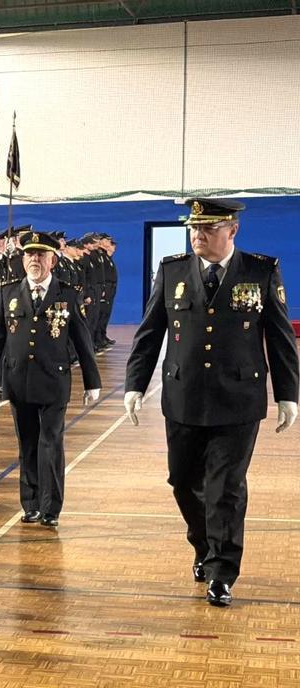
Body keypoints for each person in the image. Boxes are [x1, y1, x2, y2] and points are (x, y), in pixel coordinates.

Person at [125, 198, 299, 607]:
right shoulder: (172, 271)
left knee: (226, 488)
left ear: (232, 231)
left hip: (238, 399)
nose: (198, 235)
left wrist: (288, 394)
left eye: (208, 229)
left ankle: (222, 570)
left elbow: (279, 336)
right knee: (182, 482)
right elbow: (150, 333)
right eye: (194, 229)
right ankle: (204, 546)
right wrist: (135, 384)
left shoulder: (260, 270)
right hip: (183, 395)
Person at [0, 231, 101, 528]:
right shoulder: (8, 293)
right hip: (18, 382)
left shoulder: (67, 294)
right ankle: (30, 503)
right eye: (30, 254)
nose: (35, 259)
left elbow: (82, 340)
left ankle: (51, 507)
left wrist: (92, 380)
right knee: (28, 445)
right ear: (23, 259)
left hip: (53, 382)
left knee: (51, 444)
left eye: (41, 255)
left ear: (53, 259)